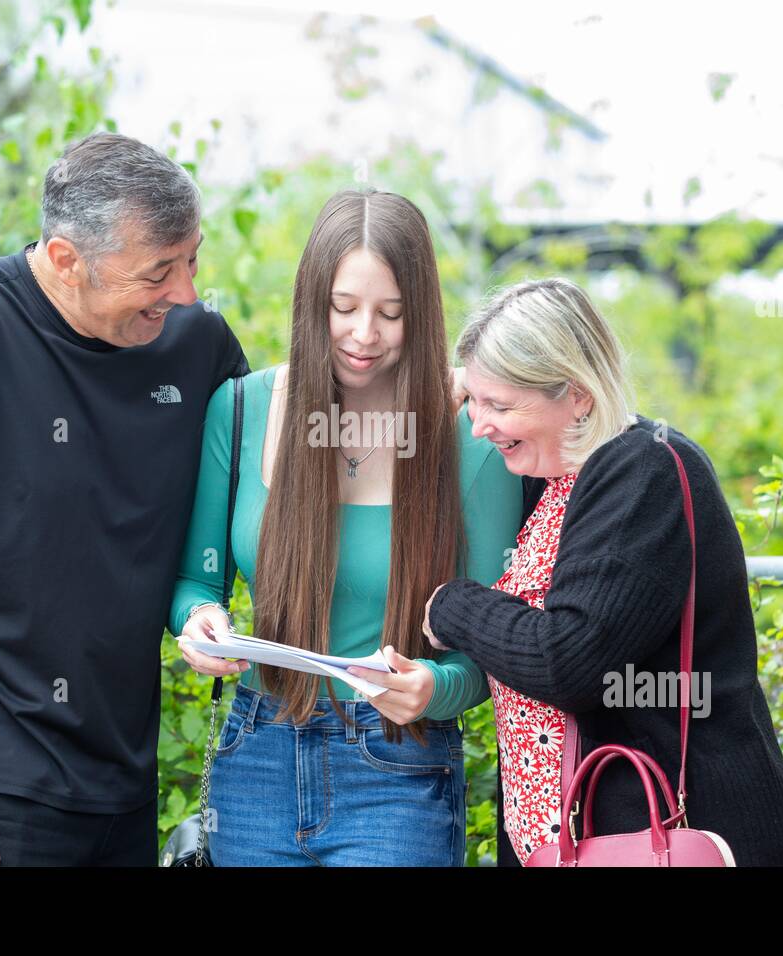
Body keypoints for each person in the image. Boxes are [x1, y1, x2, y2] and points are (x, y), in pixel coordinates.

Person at [0, 132, 248, 866]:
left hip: (127, 784)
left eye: (193, 259)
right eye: (159, 271)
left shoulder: (196, 344)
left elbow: (281, 461)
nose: (186, 292)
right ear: (65, 259)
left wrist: (442, 399)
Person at [170, 188, 521, 866]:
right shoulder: (241, 409)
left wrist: (433, 687)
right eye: (344, 308)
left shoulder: (474, 435)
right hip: (256, 753)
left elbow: (495, 643)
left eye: (392, 313)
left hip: (399, 765)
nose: (365, 335)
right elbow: (194, 578)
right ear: (311, 305)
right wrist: (200, 619)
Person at [422, 278, 783, 867]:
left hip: (676, 834)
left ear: (577, 396)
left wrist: (453, 607)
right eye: (473, 400)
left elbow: (568, 661)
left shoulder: (644, 470)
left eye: (500, 406)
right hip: (576, 842)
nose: (479, 424)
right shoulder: (552, 476)